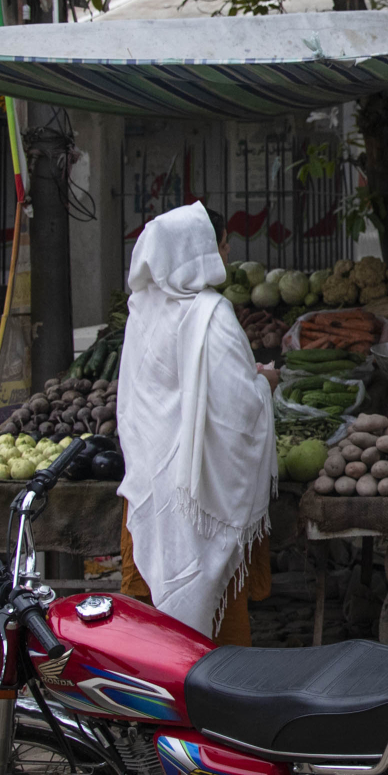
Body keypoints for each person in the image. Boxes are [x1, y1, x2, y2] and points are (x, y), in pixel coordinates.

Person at [115, 202, 278, 644]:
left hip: (150, 492)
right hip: (200, 503)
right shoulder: (211, 314)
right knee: (211, 642)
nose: (225, 253)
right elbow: (239, 413)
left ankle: (153, 707)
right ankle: (210, 703)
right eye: (221, 244)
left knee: (151, 632)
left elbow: (136, 404)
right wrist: (264, 385)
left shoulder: (143, 311)